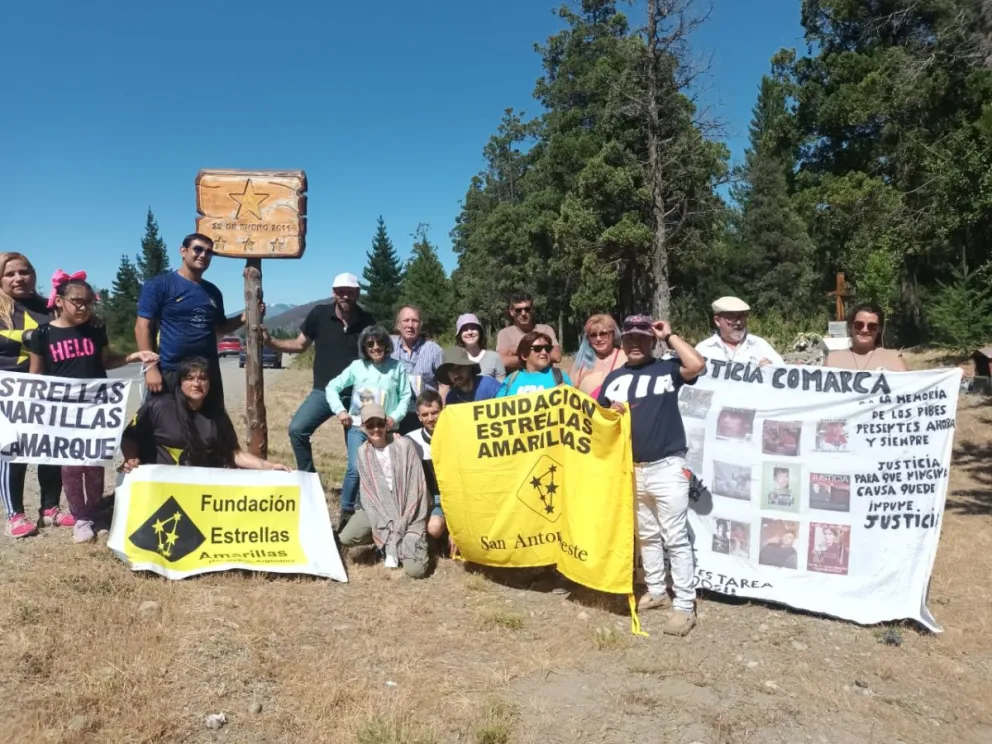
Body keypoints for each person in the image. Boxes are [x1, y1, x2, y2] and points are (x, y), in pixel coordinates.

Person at [26, 274, 159, 542]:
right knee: (71, 466)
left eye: (89, 302)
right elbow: (36, 374)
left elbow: (106, 362)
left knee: (95, 463)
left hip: (96, 408)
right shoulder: (42, 334)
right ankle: (80, 517)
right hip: (63, 412)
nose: (83, 307)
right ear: (60, 301)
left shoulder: (96, 329)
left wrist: (135, 356)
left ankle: (96, 513)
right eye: (77, 301)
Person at [597, 315, 706, 636]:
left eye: (642, 338)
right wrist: (609, 413)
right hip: (631, 468)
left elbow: (697, 364)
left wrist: (669, 335)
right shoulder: (614, 378)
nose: (635, 344)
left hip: (667, 465)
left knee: (675, 536)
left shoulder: (667, 368)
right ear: (622, 342)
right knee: (646, 534)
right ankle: (657, 589)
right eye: (630, 338)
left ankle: (684, 605)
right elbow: (598, 420)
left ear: (652, 341)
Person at [263, 273, 375, 472]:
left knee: (361, 446)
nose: (345, 296)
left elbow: (376, 357)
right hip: (324, 390)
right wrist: (270, 342)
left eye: (350, 292)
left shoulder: (368, 321)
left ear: (357, 293)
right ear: (333, 293)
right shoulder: (319, 315)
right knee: (297, 430)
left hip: (359, 394)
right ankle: (309, 478)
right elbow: (299, 345)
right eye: (341, 292)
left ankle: (358, 487)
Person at [136, 233, 258, 404]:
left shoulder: (213, 292)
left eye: (209, 252)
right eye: (198, 249)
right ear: (183, 251)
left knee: (209, 421)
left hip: (205, 372)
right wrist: (150, 368)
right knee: (164, 420)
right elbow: (142, 327)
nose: (203, 255)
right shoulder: (159, 285)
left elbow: (220, 328)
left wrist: (245, 316)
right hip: (171, 370)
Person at [120, 357, 291, 473]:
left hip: (199, 486)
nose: (196, 384)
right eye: (189, 378)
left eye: (202, 378)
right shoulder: (158, 406)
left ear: (210, 383)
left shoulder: (217, 414)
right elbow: (129, 436)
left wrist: (270, 466)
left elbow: (234, 454)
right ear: (180, 383)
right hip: (158, 485)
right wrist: (131, 458)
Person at [0, 252, 68, 538]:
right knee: (13, 451)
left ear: (33, 275)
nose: (18, 278)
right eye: (10, 274)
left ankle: (50, 509)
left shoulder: (50, 307)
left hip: (48, 391)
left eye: (24, 272)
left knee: (50, 449)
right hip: (9, 393)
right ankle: (14, 515)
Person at [326, 325, 411, 527]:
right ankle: (346, 512)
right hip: (359, 427)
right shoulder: (357, 366)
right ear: (364, 347)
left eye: (380, 343)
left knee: (386, 471)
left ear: (386, 345)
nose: (375, 347)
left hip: (386, 428)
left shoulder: (397, 367)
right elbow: (332, 387)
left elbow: (406, 396)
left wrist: (394, 417)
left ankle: (386, 514)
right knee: (355, 468)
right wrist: (340, 411)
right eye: (370, 344)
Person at [338, 403, 430, 579]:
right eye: (370, 425)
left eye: (379, 423)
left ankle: (409, 541)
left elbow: (417, 487)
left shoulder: (404, 445)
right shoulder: (363, 452)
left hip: (407, 509)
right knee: (346, 537)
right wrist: (387, 520)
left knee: (416, 571)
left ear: (386, 424)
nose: (376, 429)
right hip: (379, 508)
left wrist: (400, 522)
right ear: (363, 427)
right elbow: (368, 494)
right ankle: (386, 541)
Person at [404, 390, 448, 549]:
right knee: (433, 528)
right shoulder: (410, 440)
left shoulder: (456, 436)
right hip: (429, 499)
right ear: (418, 417)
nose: (430, 418)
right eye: (425, 414)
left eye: (435, 413)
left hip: (454, 497)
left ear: (443, 410)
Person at [391, 306, 444, 434]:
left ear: (420, 325)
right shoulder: (388, 348)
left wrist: (441, 413)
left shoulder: (434, 350)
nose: (410, 325)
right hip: (396, 414)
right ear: (398, 325)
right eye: (406, 320)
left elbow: (444, 384)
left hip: (427, 415)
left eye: (414, 321)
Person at [695, 297, 784, 367]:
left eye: (742, 317)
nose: (738, 322)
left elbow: (784, 372)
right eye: (731, 318)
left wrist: (771, 368)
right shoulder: (704, 349)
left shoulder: (759, 344)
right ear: (717, 321)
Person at [824, 302, 908, 372]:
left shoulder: (894, 360)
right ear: (850, 326)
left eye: (872, 326)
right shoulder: (832, 360)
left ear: (880, 329)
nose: (864, 330)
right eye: (859, 325)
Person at [495, 292, 562, 373]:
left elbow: (556, 356)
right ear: (512, 312)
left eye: (527, 309)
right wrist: (541, 354)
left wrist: (517, 353)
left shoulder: (546, 329)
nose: (523, 313)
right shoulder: (505, 334)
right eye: (518, 310)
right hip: (517, 380)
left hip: (545, 378)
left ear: (532, 310)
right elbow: (503, 361)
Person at [497, 331, 573, 397]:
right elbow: (498, 405)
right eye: (537, 348)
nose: (544, 352)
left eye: (547, 348)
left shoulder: (560, 376)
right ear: (524, 355)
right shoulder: (511, 379)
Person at [571, 314, 627, 398]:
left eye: (603, 333)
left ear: (612, 334)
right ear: (588, 339)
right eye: (593, 335)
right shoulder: (580, 362)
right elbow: (570, 392)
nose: (598, 339)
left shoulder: (625, 357)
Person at [435, 347, 501, 404]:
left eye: (460, 367)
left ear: (469, 367)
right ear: (447, 374)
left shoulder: (489, 385)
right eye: (451, 371)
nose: (456, 374)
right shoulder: (451, 397)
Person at [454, 313, 505, 381]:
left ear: (480, 332)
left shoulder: (494, 357)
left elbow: (502, 386)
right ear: (459, 335)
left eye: (473, 328)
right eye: (465, 329)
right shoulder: (454, 360)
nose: (470, 332)